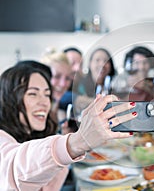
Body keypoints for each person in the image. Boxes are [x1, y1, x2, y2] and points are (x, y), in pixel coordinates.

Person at [0, 64, 137, 190]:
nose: (44, 102)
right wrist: (76, 142)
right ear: (8, 98)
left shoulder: (31, 135)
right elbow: (14, 168)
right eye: (33, 94)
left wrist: (67, 140)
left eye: (47, 94)